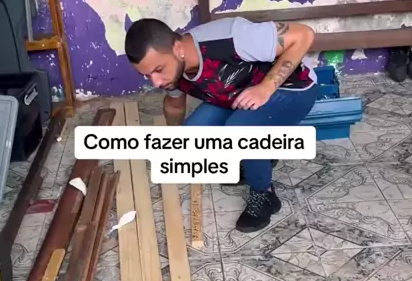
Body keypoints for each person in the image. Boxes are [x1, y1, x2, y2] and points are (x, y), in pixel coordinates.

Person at [125, 16, 317, 233]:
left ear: (177, 48)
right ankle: (258, 157)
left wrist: (266, 88)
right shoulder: (172, 68)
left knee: (239, 130)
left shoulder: (233, 38)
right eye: (147, 75)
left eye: (159, 70)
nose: (156, 82)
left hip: (293, 90)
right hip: (237, 95)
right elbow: (174, 105)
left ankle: (264, 195)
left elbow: (304, 35)